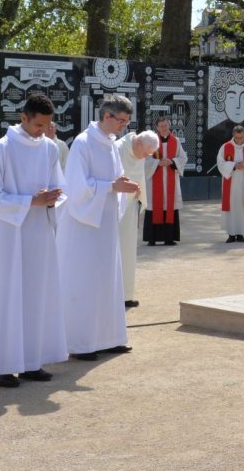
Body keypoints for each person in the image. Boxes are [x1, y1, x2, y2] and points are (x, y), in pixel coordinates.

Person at [0, 93, 68, 388]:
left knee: (36, 295)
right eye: (38, 124)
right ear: (23, 117)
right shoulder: (2, 148)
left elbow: (60, 188)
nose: (42, 130)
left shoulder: (50, 148)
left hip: (38, 232)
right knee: (6, 295)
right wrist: (31, 201)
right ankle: (1, 364)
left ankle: (31, 360)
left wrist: (54, 200)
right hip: (8, 234)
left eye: (46, 125)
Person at [57, 94, 141, 361]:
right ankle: (82, 343)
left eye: (127, 122)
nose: (123, 127)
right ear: (107, 116)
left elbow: (112, 179)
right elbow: (78, 188)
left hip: (103, 223)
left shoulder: (110, 143)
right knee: (85, 281)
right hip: (84, 225)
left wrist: (121, 183)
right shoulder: (83, 143)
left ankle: (109, 337)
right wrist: (112, 186)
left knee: (108, 279)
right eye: (121, 121)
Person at [116, 129, 158, 307]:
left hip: (131, 206)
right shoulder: (118, 149)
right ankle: (113, 294)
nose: (145, 157)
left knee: (128, 251)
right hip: (114, 207)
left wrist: (139, 198)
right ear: (138, 143)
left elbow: (139, 178)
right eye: (146, 153)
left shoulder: (140, 153)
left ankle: (126, 294)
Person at [143, 116, 186, 246]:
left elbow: (183, 158)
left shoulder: (176, 141)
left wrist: (172, 161)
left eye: (166, 126)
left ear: (169, 126)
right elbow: (144, 159)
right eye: (161, 126)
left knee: (170, 206)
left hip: (170, 179)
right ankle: (152, 238)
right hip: (155, 180)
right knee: (154, 206)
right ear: (157, 127)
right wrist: (157, 162)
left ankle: (169, 238)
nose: (164, 128)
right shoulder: (151, 142)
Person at [217, 125, 244, 243]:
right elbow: (220, 162)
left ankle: (241, 233)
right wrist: (233, 166)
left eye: (241, 137)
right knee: (231, 205)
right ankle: (231, 234)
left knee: (242, 205)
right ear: (233, 135)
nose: (239, 140)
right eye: (237, 137)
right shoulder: (225, 147)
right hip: (230, 182)